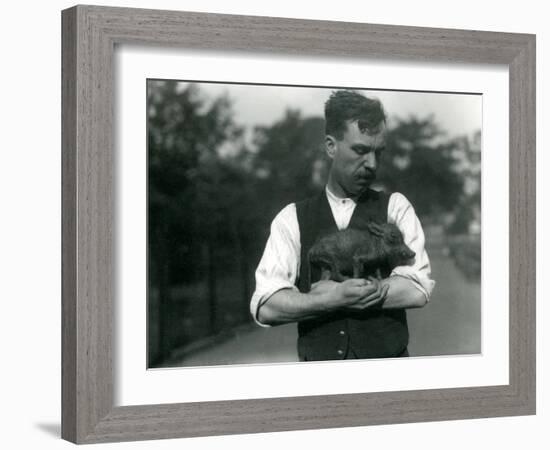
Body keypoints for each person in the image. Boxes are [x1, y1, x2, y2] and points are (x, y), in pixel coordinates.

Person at [250, 90, 435, 361]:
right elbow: (266, 305)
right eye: (360, 150)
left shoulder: (396, 207)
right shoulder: (292, 218)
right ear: (330, 146)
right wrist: (331, 299)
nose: (371, 164)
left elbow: (417, 289)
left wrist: (334, 295)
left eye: (378, 152)